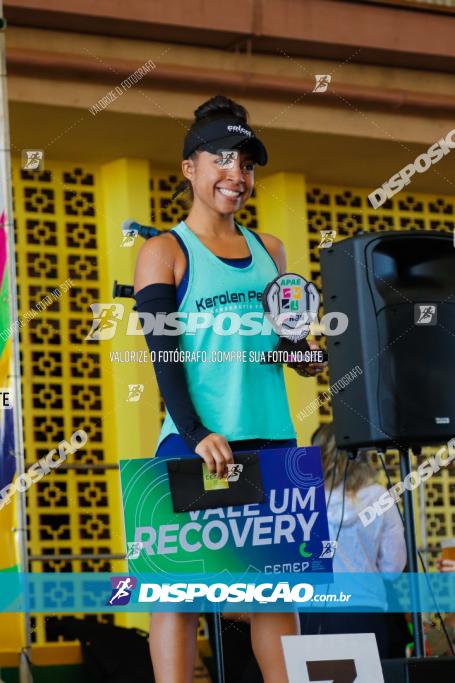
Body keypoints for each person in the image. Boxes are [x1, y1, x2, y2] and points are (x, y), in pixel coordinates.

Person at [134, 95, 325, 683]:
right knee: (178, 593)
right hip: (197, 442)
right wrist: (195, 434)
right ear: (189, 167)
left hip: (271, 440)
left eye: (246, 164)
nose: (236, 176)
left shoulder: (271, 251)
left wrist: (303, 356)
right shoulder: (163, 252)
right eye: (221, 159)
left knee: (276, 594)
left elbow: (279, 345)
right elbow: (165, 357)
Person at [300, 423, 408, 658]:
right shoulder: (379, 496)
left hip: (312, 609)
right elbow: (393, 568)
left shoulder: (303, 498)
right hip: (366, 607)